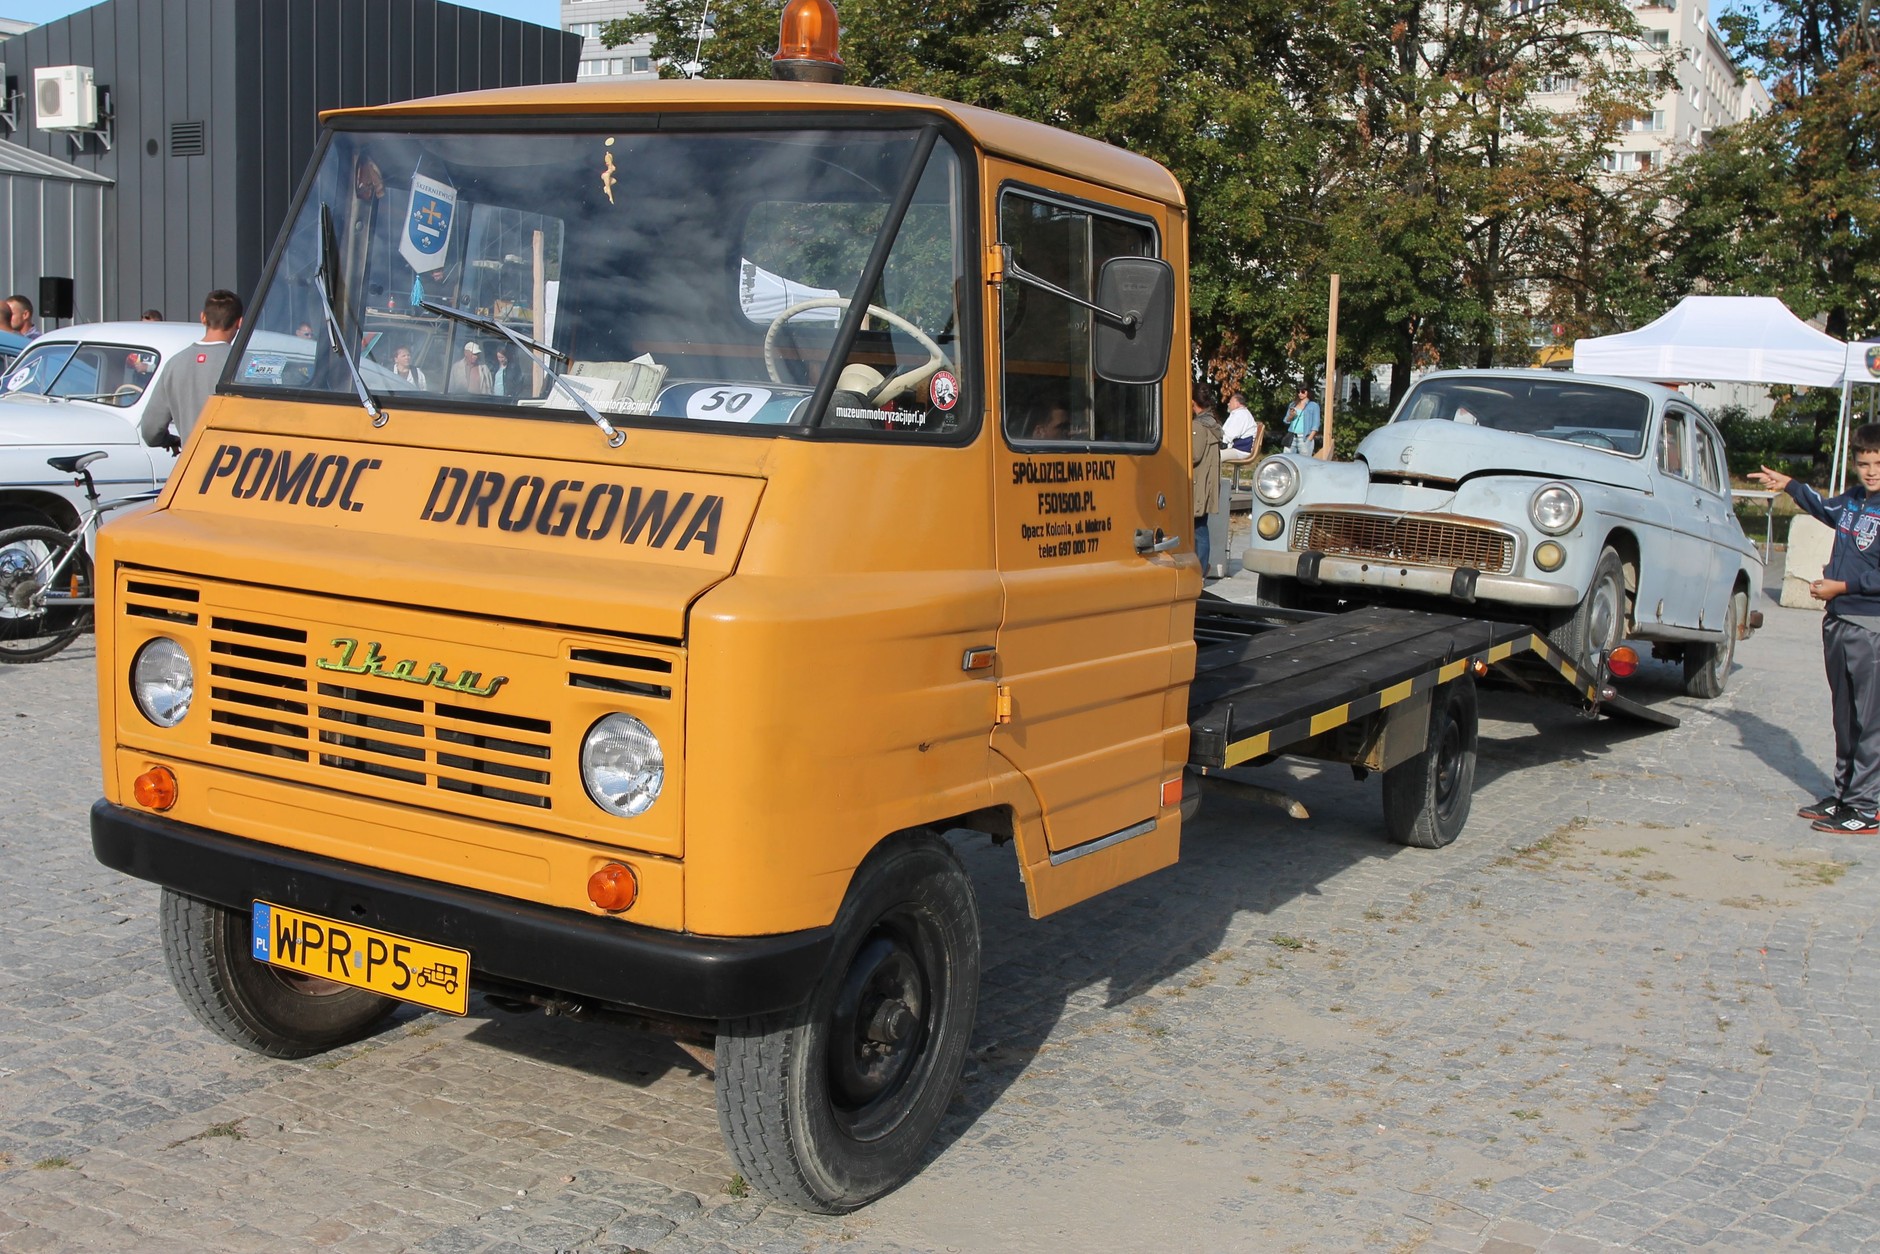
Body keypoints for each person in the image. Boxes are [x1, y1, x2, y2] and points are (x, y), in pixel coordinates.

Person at [1751, 430, 1880, 835]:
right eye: (1864, 463)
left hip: (1870, 626)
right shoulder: (1854, 502)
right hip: (1838, 621)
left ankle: (1868, 807)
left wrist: (1843, 587)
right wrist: (1789, 484)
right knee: (1845, 717)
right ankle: (1845, 795)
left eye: (1879, 464)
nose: (1871, 472)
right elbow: (1824, 507)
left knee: (1870, 721)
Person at [138, 289, 243, 451]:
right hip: (233, 466)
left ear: (203, 317)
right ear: (240, 322)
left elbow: (150, 431)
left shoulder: (174, 364)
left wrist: (170, 440)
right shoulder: (241, 364)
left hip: (192, 467)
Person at [1192, 385, 1224, 577]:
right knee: (1202, 527)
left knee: (1198, 530)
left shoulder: (1198, 426)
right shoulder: (1212, 422)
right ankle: (1203, 568)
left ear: (1193, 402)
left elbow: (1194, 456)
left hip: (1197, 484)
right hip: (1207, 484)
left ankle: (1200, 569)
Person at [1221, 391, 1262, 463]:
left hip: (1240, 450)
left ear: (1237, 403)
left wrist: (1218, 442)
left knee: (1212, 456)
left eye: (1230, 402)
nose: (1228, 404)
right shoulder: (1238, 414)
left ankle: (1210, 474)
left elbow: (1230, 435)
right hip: (1236, 448)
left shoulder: (1241, 415)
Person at [1284, 386, 1321, 455]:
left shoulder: (1313, 405)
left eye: (1303, 392)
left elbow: (1316, 425)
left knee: (1305, 461)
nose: (1300, 394)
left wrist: (1309, 439)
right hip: (1292, 436)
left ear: (1308, 392)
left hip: (1304, 437)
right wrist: (1291, 416)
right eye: (1298, 392)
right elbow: (1286, 420)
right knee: (1287, 459)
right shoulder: (1293, 404)